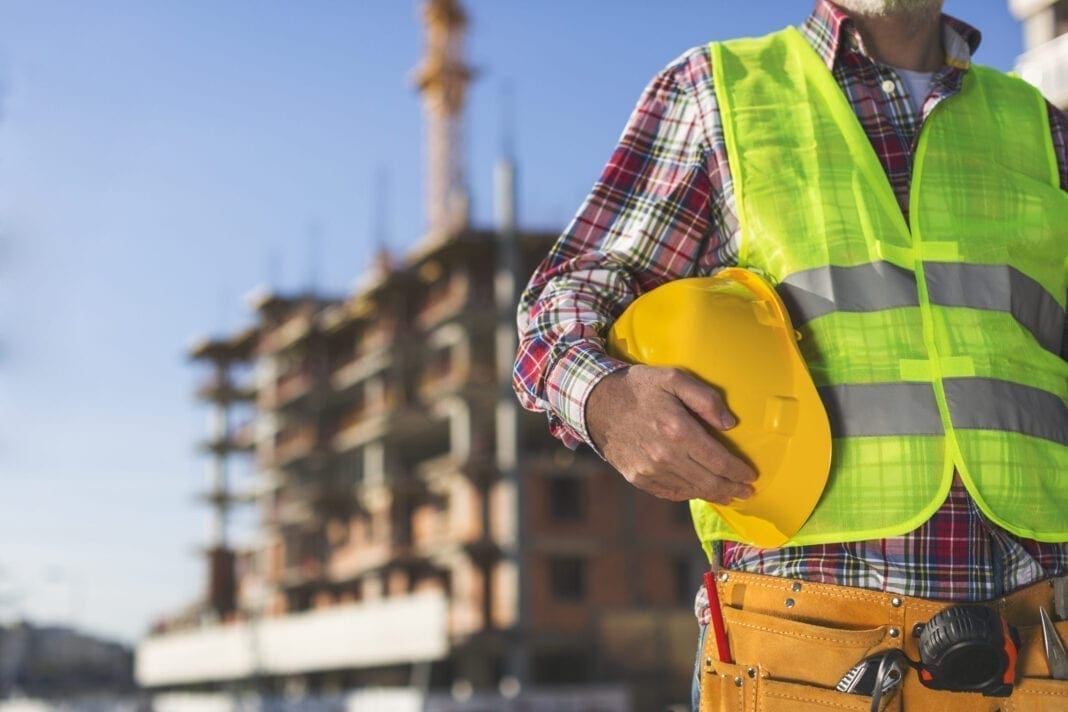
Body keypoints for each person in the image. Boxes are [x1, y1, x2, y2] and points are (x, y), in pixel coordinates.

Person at [513, 0, 1068, 709]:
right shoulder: (719, 93)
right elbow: (560, 305)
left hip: (1039, 646)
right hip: (804, 650)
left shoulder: (1040, 125)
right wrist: (606, 398)